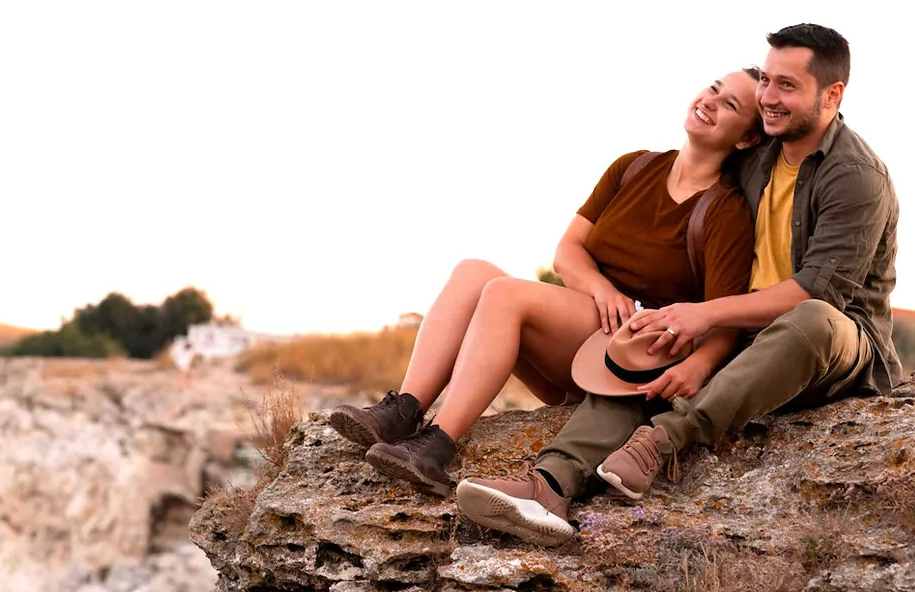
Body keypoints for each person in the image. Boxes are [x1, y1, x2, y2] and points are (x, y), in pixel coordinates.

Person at [456, 23, 901, 546]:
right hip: (746, 335)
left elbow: (816, 293)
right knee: (658, 338)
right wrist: (666, 320)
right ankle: (549, 487)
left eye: (787, 86)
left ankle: (666, 439)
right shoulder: (758, 155)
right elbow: (697, 168)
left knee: (806, 319)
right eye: (767, 82)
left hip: (833, 349)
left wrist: (706, 314)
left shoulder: (855, 176)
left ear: (832, 94)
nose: (769, 97)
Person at [327, 67, 765, 496]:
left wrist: (697, 366)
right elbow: (569, 249)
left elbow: (722, 322)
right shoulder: (635, 167)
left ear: (745, 138)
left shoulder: (725, 212)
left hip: (623, 362)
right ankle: (403, 411)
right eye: (713, 87)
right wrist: (600, 287)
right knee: (472, 271)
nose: (709, 100)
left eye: (729, 104)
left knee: (503, 292)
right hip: (574, 334)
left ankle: (435, 447)